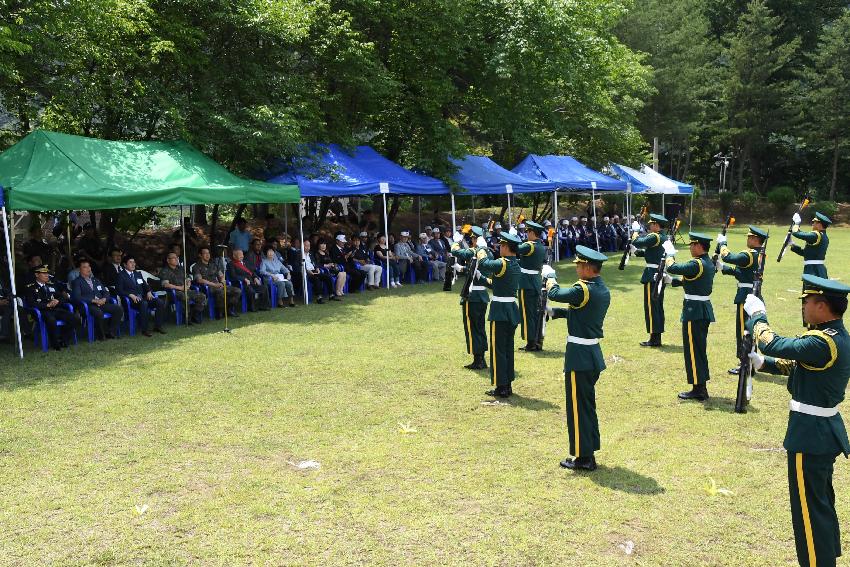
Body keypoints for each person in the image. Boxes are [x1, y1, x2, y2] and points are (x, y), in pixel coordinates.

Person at [743, 275, 850, 567]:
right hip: (821, 433)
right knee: (819, 505)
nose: (803, 307)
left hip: (810, 435)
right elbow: (797, 364)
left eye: (806, 302)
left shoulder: (821, 341)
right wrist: (763, 364)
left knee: (808, 511)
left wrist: (758, 317)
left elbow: (774, 343)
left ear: (822, 305)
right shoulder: (835, 337)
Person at [546, 245, 611, 471]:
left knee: (577, 407)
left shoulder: (582, 288)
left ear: (586, 267)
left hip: (579, 356)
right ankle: (588, 450)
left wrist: (550, 279)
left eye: (578, 265)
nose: (576, 269)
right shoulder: (600, 288)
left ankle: (583, 457)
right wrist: (556, 313)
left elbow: (557, 294)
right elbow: (581, 313)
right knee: (586, 405)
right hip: (591, 353)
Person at [665, 232, 715, 400]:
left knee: (693, 350)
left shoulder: (697, 263)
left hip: (695, 310)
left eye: (692, 245)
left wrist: (670, 254)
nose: (691, 248)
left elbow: (672, 267)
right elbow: (692, 282)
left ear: (699, 246)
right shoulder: (706, 263)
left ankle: (699, 389)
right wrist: (673, 281)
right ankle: (700, 386)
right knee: (698, 349)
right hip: (701, 309)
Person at [475, 232, 522, 397]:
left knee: (498, 350)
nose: (499, 248)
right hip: (511, 309)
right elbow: (497, 284)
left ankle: (501, 386)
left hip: (500, 311)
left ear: (506, 247)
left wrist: (480, 247)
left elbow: (485, 263)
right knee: (507, 349)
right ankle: (507, 384)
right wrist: (480, 278)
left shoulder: (503, 262)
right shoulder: (515, 263)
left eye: (501, 245)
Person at [716, 225, 767, 374]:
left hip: (745, 296)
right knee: (750, 330)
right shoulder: (759, 253)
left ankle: (745, 363)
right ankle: (749, 363)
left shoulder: (749, 254)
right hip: (754, 294)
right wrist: (723, 268)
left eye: (750, 237)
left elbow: (729, 257)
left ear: (756, 239)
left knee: (743, 331)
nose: (747, 239)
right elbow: (741, 272)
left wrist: (723, 244)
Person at [451, 226, 493, 369]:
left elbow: (455, 251)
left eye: (472, 239)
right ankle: (481, 357)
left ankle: (478, 359)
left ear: (476, 239)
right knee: (480, 327)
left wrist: (457, 240)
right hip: (482, 295)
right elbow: (475, 270)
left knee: (472, 327)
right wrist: (461, 269)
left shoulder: (473, 251)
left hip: (472, 296)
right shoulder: (490, 254)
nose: (471, 241)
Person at [631, 214, 668, 347]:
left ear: (656, 225)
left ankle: (654, 338)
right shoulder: (663, 237)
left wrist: (634, 232)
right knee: (657, 306)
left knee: (651, 307)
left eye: (651, 224)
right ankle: (656, 336)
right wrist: (636, 252)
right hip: (660, 273)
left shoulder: (655, 236)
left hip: (652, 274)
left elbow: (638, 242)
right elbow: (652, 253)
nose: (649, 226)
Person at [24, 265, 82, 349]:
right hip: (42, 311)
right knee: (51, 320)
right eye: (44, 273)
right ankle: (55, 344)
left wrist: (57, 301)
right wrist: (46, 305)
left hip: (56, 309)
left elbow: (61, 297)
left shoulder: (51, 285)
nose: (47, 275)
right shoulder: (30, 288)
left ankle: (63, 340)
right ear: (37, 275)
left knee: (75, 318)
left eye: (47, 273)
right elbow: (31, 303)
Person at [70, 259, 123, 339]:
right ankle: (101, 336)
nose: (88, 269)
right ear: (80, 270)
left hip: (101, 303)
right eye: (85, 267)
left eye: (89, 266)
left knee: (118, 309)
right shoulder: (77, 282)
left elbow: (105, 292)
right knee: (98, 313)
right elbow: (77, 297)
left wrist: (104, 299)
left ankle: (111, 332)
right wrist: (93, 300)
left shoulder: (96, 280)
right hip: (88, 306)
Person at [516, 221, 547, 351]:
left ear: (532, 233)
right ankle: (536, 340)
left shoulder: (529, 245)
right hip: (535, 281)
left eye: (528, 232)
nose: (526, 234)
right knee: (534, 313)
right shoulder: (541, 245)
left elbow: (514, 249)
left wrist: (512, 238)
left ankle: (531, 342)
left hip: (526, 282)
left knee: (526, 313)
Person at [117, 255, 166, 336]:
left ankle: (158, 326)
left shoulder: (137, 273)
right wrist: (130, 295)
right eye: (130, 262)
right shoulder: (121, 275)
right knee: (144, 303)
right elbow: (119, 290)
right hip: (132, 301)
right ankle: (145, 329)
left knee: (159, 302)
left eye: (134, 262)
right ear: (125, 265)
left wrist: (149, 291)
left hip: (143, 297)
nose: (133, 264)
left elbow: (145, 285)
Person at [193, 246, 242, 318]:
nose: (207, 255)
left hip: (218, 285)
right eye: (205, 253)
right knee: (221, 292)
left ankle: (229, 309)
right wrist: (214, 285)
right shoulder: (196, 266)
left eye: (208, 253)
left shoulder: (213, 264)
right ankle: (219, 312)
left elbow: (221, 275)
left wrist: (222, 282)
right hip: (207, 287)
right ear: (200, 255)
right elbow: (199, 280)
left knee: (237, 291)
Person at [160, 252, 207, 324]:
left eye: (177, 258)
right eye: (174, 258)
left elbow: (187, 277)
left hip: (186, 289)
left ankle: (193, 315)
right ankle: (187, 318)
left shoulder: (180, 268)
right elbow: (165, 284)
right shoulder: (165, 271)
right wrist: (180, 288)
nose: (176, 259)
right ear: (168, 260)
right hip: (174, 292)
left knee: (202, 296)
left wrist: (188, 282)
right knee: (185, 297)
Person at [790, 211, 831, 278]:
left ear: (819, 224)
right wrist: (792, 244)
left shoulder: (816, 235)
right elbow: (806, 253)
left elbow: (796, 233)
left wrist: (797, 223)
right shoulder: (823, 236)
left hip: (813, 271)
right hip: (818, 269)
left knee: (810, 289)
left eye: (814, 222)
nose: (813, 224)